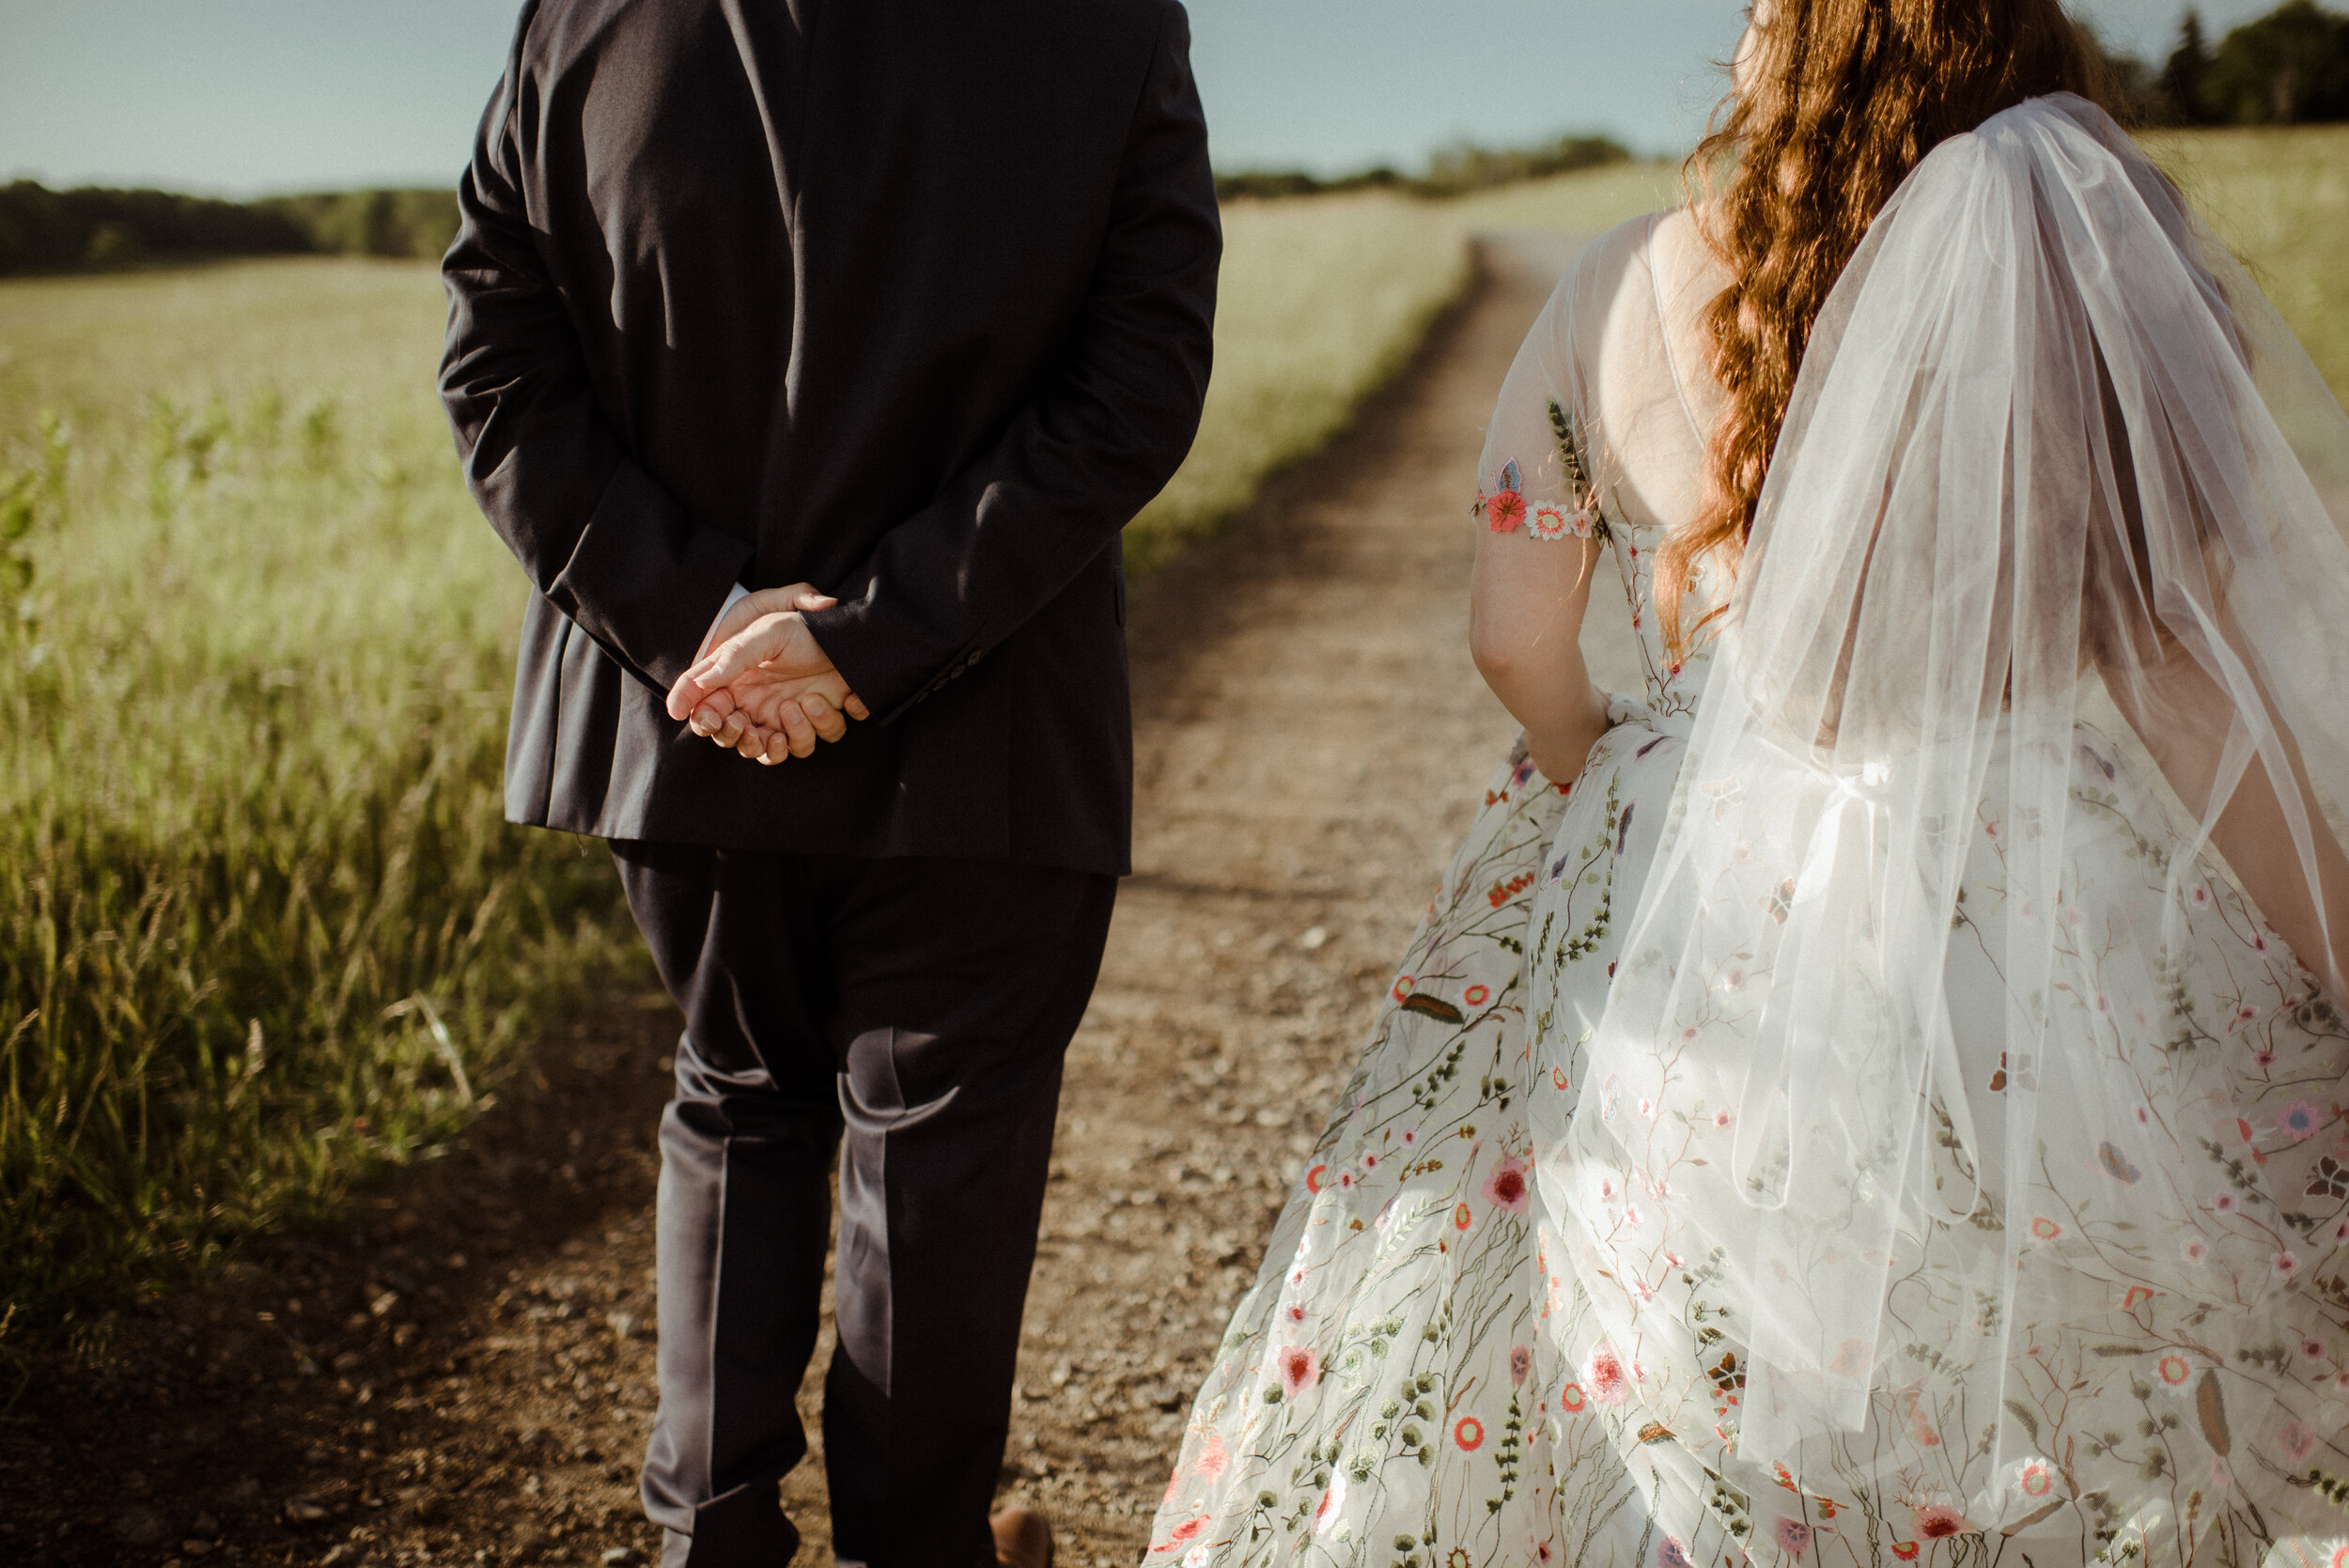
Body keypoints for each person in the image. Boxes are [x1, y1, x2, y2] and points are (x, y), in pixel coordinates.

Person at [1149, 2, 2349, 1563]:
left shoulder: (1618, 281)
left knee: (1608, 1307)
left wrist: (1617, 779)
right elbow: (2189, 684)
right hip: (2031, 874)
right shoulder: (2068, 280)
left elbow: (1513, 637)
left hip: (1682, 856)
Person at [436, 0, 1220, 1562]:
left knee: (737, 1097)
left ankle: (708, 1537)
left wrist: (696, 618)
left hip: (688, 720)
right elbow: (1141, 370)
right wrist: (871, 634)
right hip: (986, 716)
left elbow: (497, 361)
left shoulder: (580, 21)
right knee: (941, 1146)